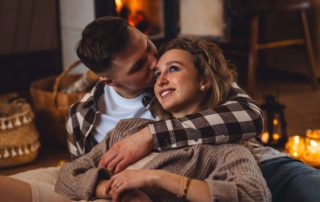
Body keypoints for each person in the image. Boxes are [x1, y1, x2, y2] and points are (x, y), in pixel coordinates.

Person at [69, 16, 320, 202]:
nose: (156, 62)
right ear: (109, 80)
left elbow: (250, 116)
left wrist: (150, 136)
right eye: (138, 66)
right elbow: (80, 179)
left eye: (147, 46)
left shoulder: (181, 61)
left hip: (251, 166)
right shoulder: (82, 120)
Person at [55, 37, 271, 202]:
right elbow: (68, 174)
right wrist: (114, 190)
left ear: (204, 81)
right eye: (158, 75)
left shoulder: (227, 152)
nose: (159, 78)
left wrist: (155, 178)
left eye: (173, 69)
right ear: (108, 80)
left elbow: (254, 195)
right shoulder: (129, 130)